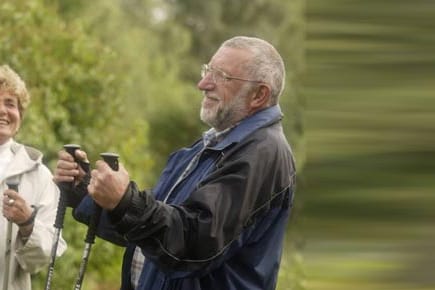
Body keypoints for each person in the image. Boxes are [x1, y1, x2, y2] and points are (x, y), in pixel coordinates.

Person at [54, 36, 296, 290]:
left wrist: (126, 201)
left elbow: (193, 244)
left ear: (259, 94)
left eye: (222, 76)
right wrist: (85, 189)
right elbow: (149, 236)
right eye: (208, 70)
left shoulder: (263, 153)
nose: (203, 84)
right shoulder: (204, 149)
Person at [0, 64, 67, 290]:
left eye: (10, 104)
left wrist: (28, 223)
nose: (2, 110)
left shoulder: (38, 175)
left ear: (20, 117)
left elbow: (42, 257)